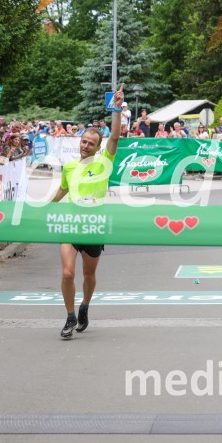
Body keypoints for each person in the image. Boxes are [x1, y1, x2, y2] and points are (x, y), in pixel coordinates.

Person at [50, 82, 124, 340]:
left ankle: (84, 307)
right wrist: (45, 208)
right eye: (83, 142)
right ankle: (70, 315)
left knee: (88, 275)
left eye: (91, 144)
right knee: (67, 272)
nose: (85, 146)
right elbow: (61, 191)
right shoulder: (70, 167)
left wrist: (116, 108)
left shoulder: (105, 162)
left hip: (94, 226)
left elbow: (114, 136)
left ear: (97, 147)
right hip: (70, 224)